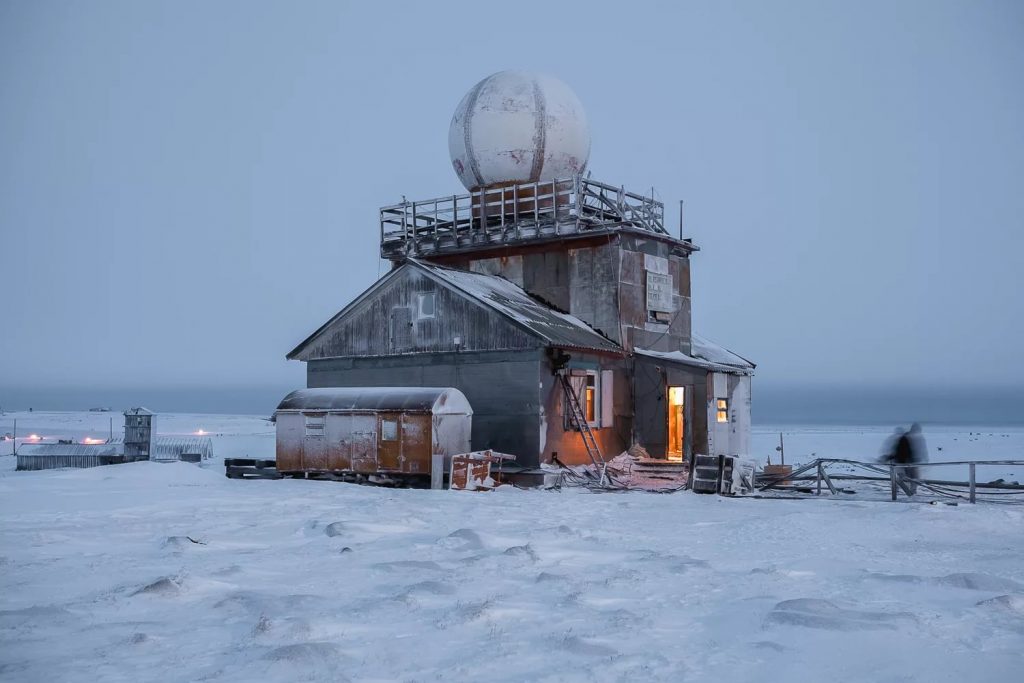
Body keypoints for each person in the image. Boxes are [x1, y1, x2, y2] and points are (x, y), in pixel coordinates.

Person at [881, 423, 928, 496]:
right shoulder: (905, 438)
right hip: (904, 462)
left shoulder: (914, 437)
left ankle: (910, 492)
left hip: (910, 462)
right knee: (905, 477)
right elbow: (899, 450)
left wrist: (924, 457)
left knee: (913, 478)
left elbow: (920, 449)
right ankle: (900, 492)